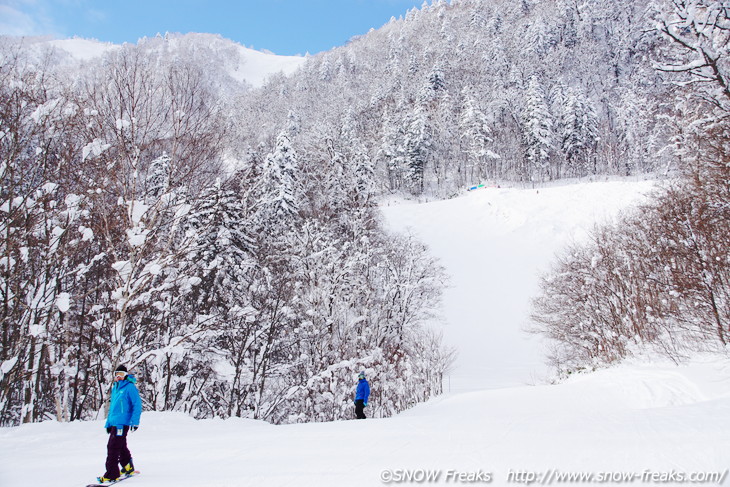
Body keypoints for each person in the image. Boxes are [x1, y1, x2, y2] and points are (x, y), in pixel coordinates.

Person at [97, 364, 142, 484]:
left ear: (125, 375)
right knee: (120, 445)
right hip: (115, 422)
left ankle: (111, 474)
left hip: (122, 423)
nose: (119, 377)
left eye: (121, 375)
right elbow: (113, 408)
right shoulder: (116, 388)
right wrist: (108, 423)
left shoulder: (129, 387)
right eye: (117, 375)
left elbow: (137, 405)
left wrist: (135, 422)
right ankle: (127, 466)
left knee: (112, 447)